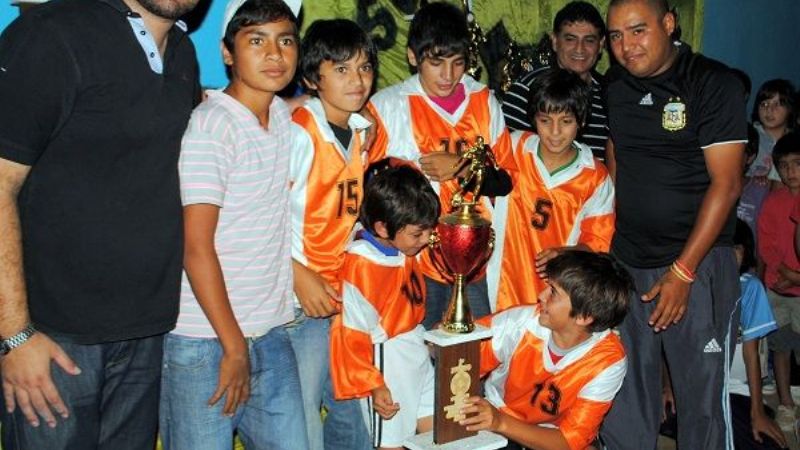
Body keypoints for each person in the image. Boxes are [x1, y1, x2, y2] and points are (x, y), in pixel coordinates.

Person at [0, 0, 201, 448]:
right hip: (53, 342)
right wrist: (14, 336)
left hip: (147, 333)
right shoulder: (52, 34)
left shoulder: (184, 51)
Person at [158, 1, 307, 449]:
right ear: (227, 54)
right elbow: (195, 247)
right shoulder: (212, 127)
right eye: (256, 41)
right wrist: (233, 345)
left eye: (285, 41)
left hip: (271, 331)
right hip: (205, 341)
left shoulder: (281, 116)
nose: (274, 55)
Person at [598, 1, 747, 449]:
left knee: (700, 398)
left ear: (669, 23)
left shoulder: (712, 82)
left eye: (638, 31)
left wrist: (682, 272)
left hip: (696, 266)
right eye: (617, 36)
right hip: (629, 262)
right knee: (624, 390)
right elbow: (616, 153)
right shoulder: (615, 85)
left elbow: (728, 184)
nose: (626, 46)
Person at [367, 1, 513, 329]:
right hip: (413, 261)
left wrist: (462, 168)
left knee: (471, 358)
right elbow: (368, 188)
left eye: (457, 63)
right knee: (417, 357)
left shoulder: (483, 101)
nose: (448, 75)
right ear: (412, 57)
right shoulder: (388, 106)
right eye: (436, 63)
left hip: (474, 260)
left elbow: (505, 180)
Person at [286, 18, 377, 450]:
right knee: (301, 413)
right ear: (312, 78)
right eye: (341, 70)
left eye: (363, 68)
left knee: (351, 401)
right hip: (301, 299)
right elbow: (260, 214)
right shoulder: (298, 132)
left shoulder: (360, 131)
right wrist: (295, 273)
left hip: (343, 294)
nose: (357, 80)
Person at [459, 251, 631, 450]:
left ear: (584, 317)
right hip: (499, 417)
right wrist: (445, 340)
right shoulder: (519, 323)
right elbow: (461, 360)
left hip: (546, 433)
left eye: (553, 292)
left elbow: (568, 441)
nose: (541, 295)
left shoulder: (608, 360)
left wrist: (499, 422)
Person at [329, 166, 439, 450]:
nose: (426, 239)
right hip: (387, 358)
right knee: (392, 444)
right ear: (382, 228)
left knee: (438, 433)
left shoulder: (403, 245)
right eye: (418, 234)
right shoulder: (361, 265)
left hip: (415, 345)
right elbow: (351, 336)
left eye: (429, 230)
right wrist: (374, 384)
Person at [487, 68, 614, 312]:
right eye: (545, 121)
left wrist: (565, 253)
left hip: (556, 300)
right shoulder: (513, 147)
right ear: (533, 118)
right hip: (497, 288)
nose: (555, 132)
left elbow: (597, 246)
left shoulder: (595, 178)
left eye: (566, 122)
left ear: (582, 121)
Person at [661, 219, 786, 449]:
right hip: (695, 385)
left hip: (736, 387)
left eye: (736, 250)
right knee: (672, 421)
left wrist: (757, 411)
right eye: (723, 251)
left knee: (764, 441)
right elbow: (671, 344)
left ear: (745, 252)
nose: (730, 258)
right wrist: (668, 387)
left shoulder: (750, 288)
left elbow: (751, 355)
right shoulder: (688, 287)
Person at [501, 1, 609, 160]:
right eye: (570, 39)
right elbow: (503, 155)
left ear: (600, 45)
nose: (579, 49)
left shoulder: (608, 95)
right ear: (555, 41)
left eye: (589, 40)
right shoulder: (527, 90)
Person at [757, 131, 800, 432]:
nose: (790, 172)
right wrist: (780, 273)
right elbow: (766, 242)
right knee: (781, 348)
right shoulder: (774, 200)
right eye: (783, 165)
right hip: (779, 289)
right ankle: (785, 403)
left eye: (797, 164)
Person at [739, 79, 796, 233]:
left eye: (777, 104)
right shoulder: (749, 136)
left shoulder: (794, 142)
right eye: (764, 104)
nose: (769, 110)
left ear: (790, 109)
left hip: (781, 208)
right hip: (749, 207)